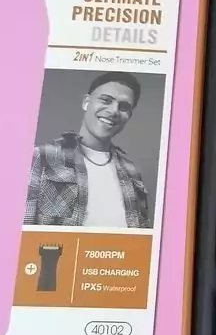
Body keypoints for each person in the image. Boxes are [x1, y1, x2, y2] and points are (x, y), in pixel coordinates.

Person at [24, 71, 151, 228]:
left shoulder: (131, 170)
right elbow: (24, 229)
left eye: (124, 107)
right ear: (86, 102)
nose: (114, 111)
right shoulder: (43, 156)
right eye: (106, 100)